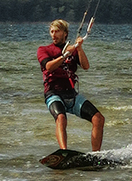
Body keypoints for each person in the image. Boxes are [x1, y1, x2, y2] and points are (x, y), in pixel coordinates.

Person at [37, 19, 105, 151]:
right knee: (61, 117)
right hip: (53, 94)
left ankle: (96, 155)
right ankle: (64, 152)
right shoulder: (44, 50)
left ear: (65, 33)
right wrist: (65, 55)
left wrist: (79, 48)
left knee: (99, 119)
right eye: (52, 31)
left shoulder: (73, 50)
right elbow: (49, 67)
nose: (53, 34)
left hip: (72, 94)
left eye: (57, 31)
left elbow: (85, 66)